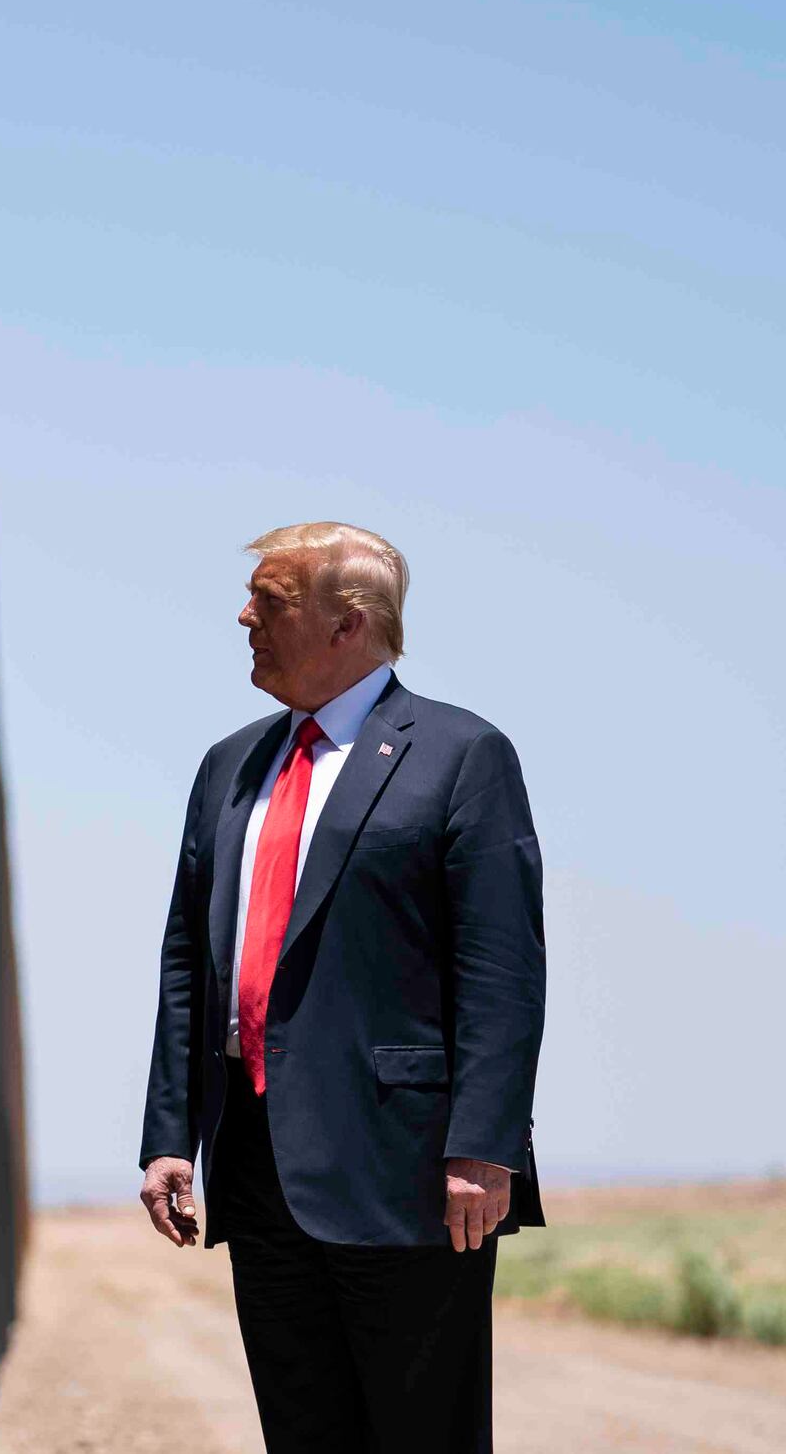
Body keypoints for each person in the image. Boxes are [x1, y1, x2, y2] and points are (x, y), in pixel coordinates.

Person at [136, 522, 545, 1452]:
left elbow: (503, 970)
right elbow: (186, 962)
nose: (245, 616)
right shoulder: (228, 765)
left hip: (407, 1173)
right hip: (257, 1164)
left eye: (271, 601)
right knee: (303, 1430)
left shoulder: (461, 755)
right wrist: (171, 1135)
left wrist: (483, 1145)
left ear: (347, 624)